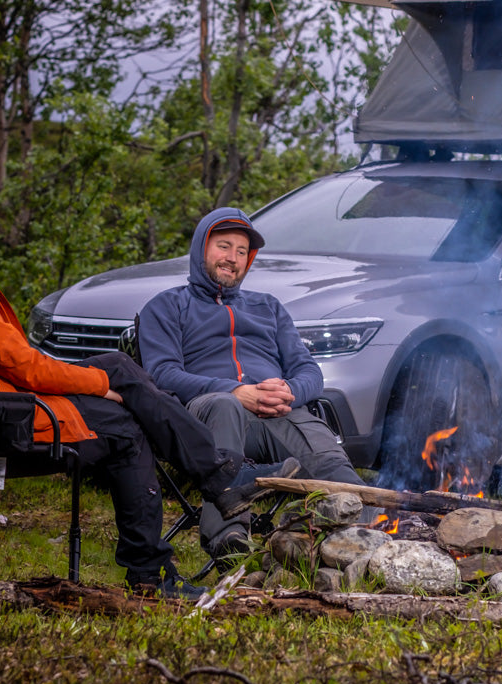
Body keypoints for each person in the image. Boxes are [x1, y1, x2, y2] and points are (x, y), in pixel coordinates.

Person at [0, 170, 275, 599]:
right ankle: (157, 568)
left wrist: (101, 378)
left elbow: (10, 362)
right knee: (126, 427)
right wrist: (96, 384)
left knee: (118, 366)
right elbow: (23, 367)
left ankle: (215, 477)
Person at [138, 207, 367, 556]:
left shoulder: (268, 307)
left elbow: (309, 372)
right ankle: (228, 537)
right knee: (224, 405)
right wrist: (235, 391)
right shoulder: (167, 307)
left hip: (276, 413)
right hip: (205, 418)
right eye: (223, 246)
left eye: (242, 252)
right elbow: (162, 374)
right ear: (201, 249)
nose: (232, 258)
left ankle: (372, 531)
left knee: (323, 448)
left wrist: (290, 390)